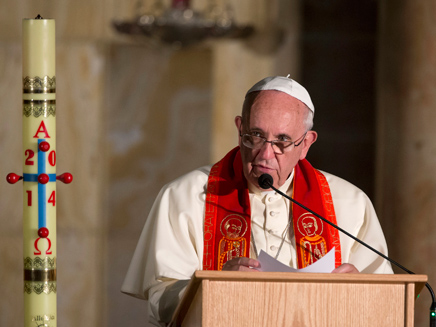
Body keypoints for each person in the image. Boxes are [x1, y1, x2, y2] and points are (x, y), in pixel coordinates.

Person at [121, 75, 393, 326]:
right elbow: (161, 302)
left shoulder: (350, 202)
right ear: (240, 128)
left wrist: (359, 291)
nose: (265, 155)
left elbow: (386, 306)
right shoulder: (183, 196)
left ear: (306, 144)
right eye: (256, 136)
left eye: (282, 141)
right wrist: (213, 287)